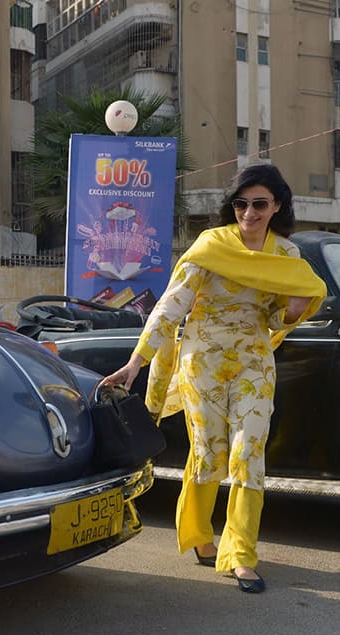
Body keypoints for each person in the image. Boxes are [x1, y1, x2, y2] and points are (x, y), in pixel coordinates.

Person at [99, 164, 327, 594]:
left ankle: (240, 554)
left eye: (259, 204)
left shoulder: (287, 257)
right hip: (202, 358)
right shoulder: (211, 246)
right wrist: (136, 362)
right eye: (241, 204)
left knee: (249, 451)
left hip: (254, 359)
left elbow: (278, 316)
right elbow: (171, 306)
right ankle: (200, 534)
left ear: (277, 206)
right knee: (209, 451)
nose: (249, 212)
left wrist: (294, 312)